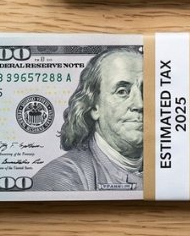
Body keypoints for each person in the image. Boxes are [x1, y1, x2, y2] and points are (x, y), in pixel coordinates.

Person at [31, 48, 144, 191]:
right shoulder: (59, 179)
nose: (140, 104)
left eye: (145, 91)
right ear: (94, 107)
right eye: (122, 92)